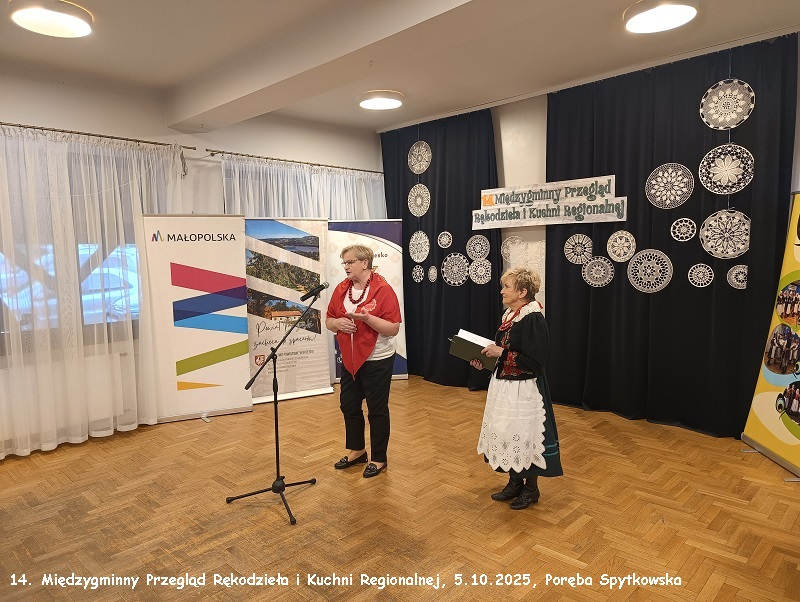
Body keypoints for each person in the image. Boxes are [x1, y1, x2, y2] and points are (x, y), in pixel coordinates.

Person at [471, 267, 563, 510]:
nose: (502, 291)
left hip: (524, 388)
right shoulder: (511, 314)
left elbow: (535, 362)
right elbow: (506, 353)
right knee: (509, 434)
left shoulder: (533, 318)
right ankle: (515, 482)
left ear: (522, 292)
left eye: (507, 287)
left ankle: (531, 489)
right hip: (505, 387)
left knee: (525, 436)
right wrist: (485, 361)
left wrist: (500, 353)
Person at [326, 244, 402, 478]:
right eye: (344, 263)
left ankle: (379, 458)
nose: (345, 267)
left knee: (377, 410)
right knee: (349, 405)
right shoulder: (341, 289)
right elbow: (329, 320)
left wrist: (368, 319)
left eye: (350, 262)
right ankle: (357, 451)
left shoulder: (383, 290)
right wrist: (337, 323)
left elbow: (393, 328)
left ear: (365, 263)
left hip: (377, 359)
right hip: (350, 360)